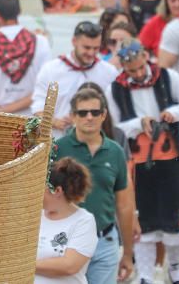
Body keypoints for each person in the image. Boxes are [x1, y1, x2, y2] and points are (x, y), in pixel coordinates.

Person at [107, 39, 179, 284]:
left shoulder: (167, 77)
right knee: (144, 217)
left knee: (174, 216)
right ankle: (147, 275)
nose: (139, 74)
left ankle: (174, 266)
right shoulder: (115, 89)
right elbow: (113, 127)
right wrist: (138, 124)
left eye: (141, 67)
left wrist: (173, 113)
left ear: (146, 58)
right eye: (132, 71)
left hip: (169, 156)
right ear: (123, 68)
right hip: (138, 161)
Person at [53, 88, 134, 284]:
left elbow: (124, 205)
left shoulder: (115, 151)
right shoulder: (57, 149)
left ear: (103, 115)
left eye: (95, 112)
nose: (89, 117)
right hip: (66, 241)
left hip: (104, 240)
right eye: (82, 113)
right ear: (73, 116)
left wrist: (128, 254)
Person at [32, 22, 118, 136]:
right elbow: (37, 106)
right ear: (74, 42)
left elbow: (114, 112)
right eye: (86, 47)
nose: (91, 53)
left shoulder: (109, 72)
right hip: (59, 141)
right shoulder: (51, 70)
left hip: (97, 142)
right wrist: (54, 122)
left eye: (96, 48)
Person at [0, 0, 50, 115]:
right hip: (33, 119)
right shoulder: (41, 42)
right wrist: (9, 109)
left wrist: (0, 114)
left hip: (0, 120)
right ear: (20, 11)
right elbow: (45, 87)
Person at [34, 158, 97, 284]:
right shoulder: (35, 215)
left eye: (41, 187)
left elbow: (69, 266)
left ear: (57, 191)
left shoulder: (84, 221)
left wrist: (24, 265)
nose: (36, 191)